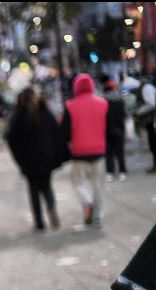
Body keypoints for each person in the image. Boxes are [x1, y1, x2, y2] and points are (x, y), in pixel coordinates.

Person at [6, 88, 63, 232]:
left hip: (28, 161)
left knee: (33, 191)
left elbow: (10, 137)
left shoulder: (18, 116)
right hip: (46, 158)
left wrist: (19, 158)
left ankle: (39, 223)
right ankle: (51, 208)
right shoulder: (45, 112)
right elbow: (56, 133)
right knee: (47, 187)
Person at [62, 73, 108, 226]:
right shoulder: (103, 103)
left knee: (78, 182)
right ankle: (97, 216)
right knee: (98, 185)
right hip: (99, 150)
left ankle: (87, 202)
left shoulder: (70, 105)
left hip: (79, 151)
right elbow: (109, 127)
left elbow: (65, 132)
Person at [103, 81, 128, 182]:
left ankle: (110, 173)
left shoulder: (102, 101)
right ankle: (122, 172)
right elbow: (126, 115)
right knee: (120, 152)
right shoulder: (121, 101)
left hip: (106, 130)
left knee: (108, 153)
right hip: (120, 129)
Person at [139, 77, 156, 173]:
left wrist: (139, 111)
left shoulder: (146, 88)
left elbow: (151, 104)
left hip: (152, 120)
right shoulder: (150, 87)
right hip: (155, 119)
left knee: (154, 143)